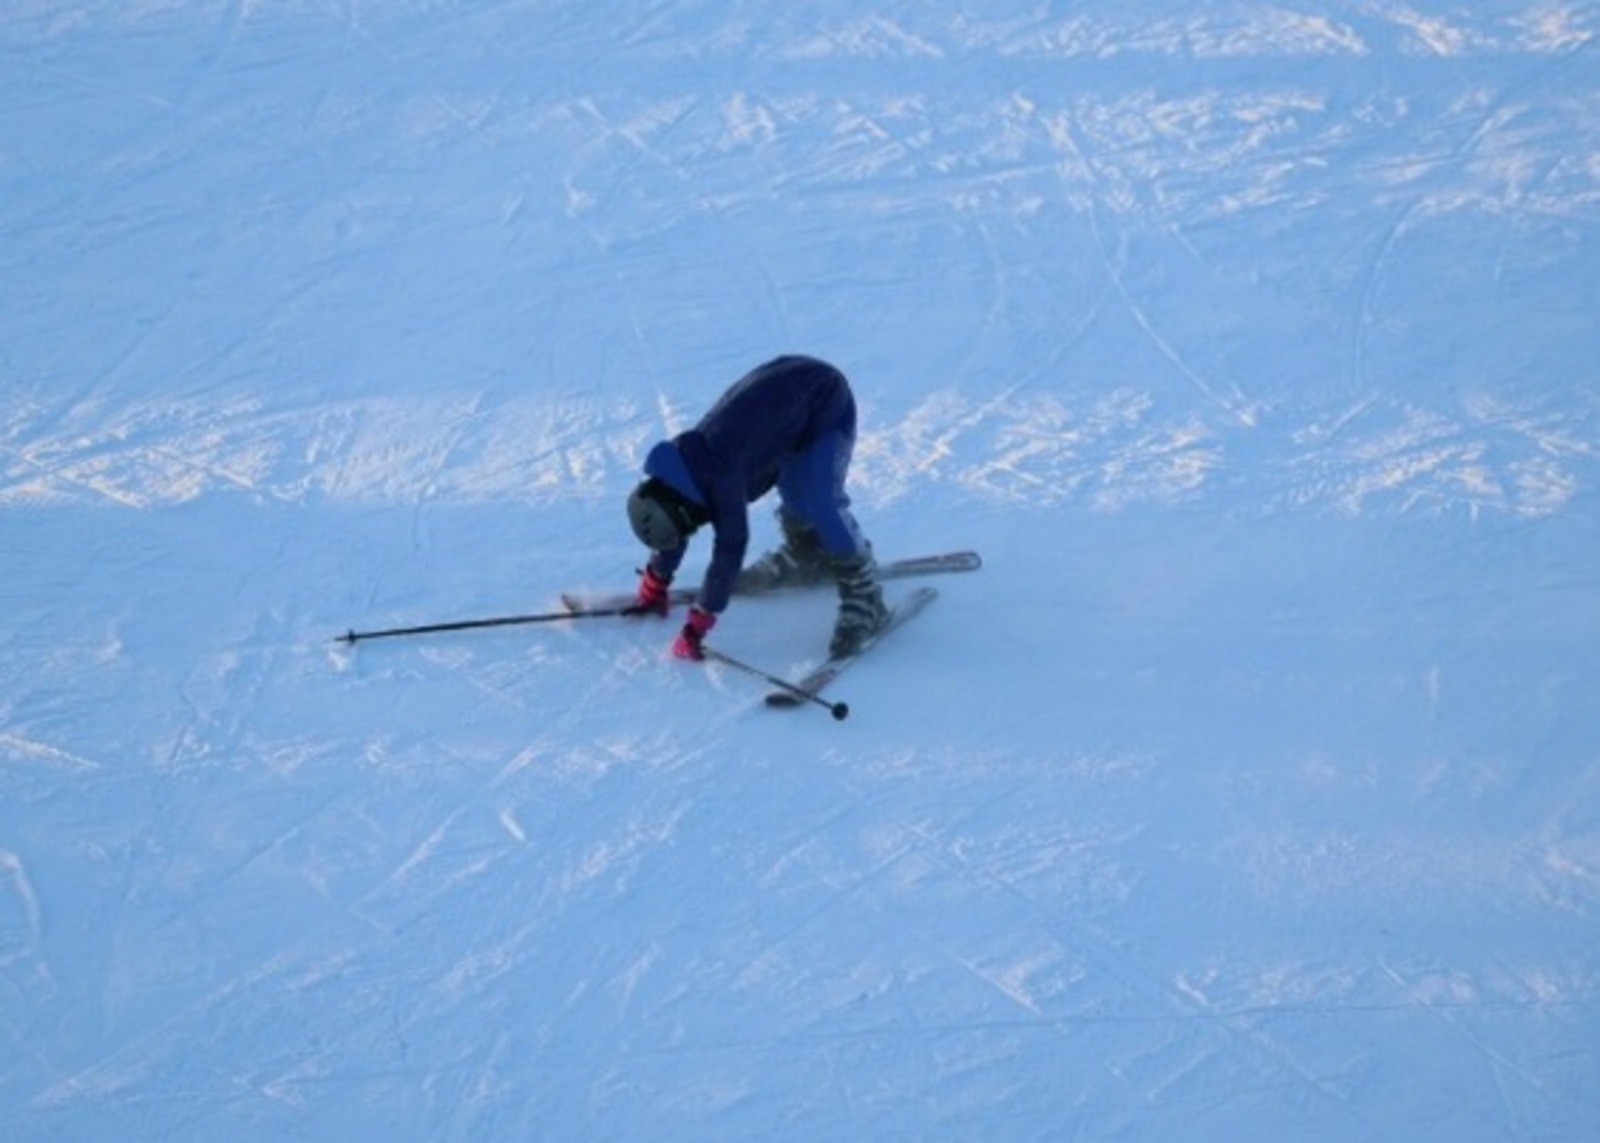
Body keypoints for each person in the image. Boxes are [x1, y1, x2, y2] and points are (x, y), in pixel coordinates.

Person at [625, 354, 889, 660]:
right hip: (786, 404)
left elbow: (729, 548)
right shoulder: (679, 474)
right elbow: (673, 528)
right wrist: (656, 580)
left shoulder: (721, 480)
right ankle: (806, 552)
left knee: (821, 502)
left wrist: (698, 624)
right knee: (794, 488)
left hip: (825, 401)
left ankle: (865, 593)